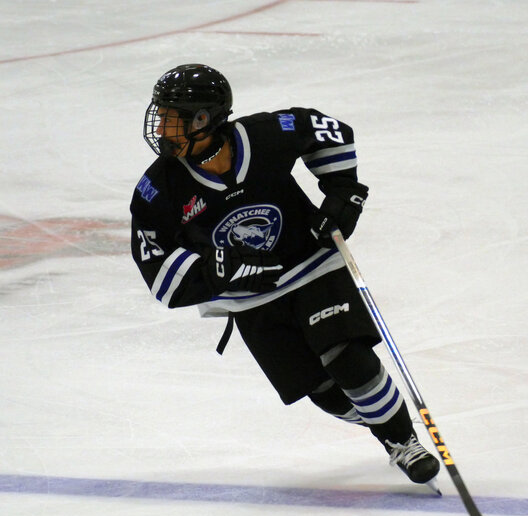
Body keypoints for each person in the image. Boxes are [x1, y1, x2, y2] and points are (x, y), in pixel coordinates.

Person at [129, 63, 439, 487]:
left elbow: (328, 130)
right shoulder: (157, 189)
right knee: (324, 391)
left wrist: (343, 190)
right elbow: (160, 275)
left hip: (312, 265)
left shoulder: (264, 135)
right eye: (161, 115)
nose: (164, 128)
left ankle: (404, 442)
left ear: (206, 119)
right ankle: (386, 427)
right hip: (250, 300)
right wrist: (215, 271)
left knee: (347, 359)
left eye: (174, 118)